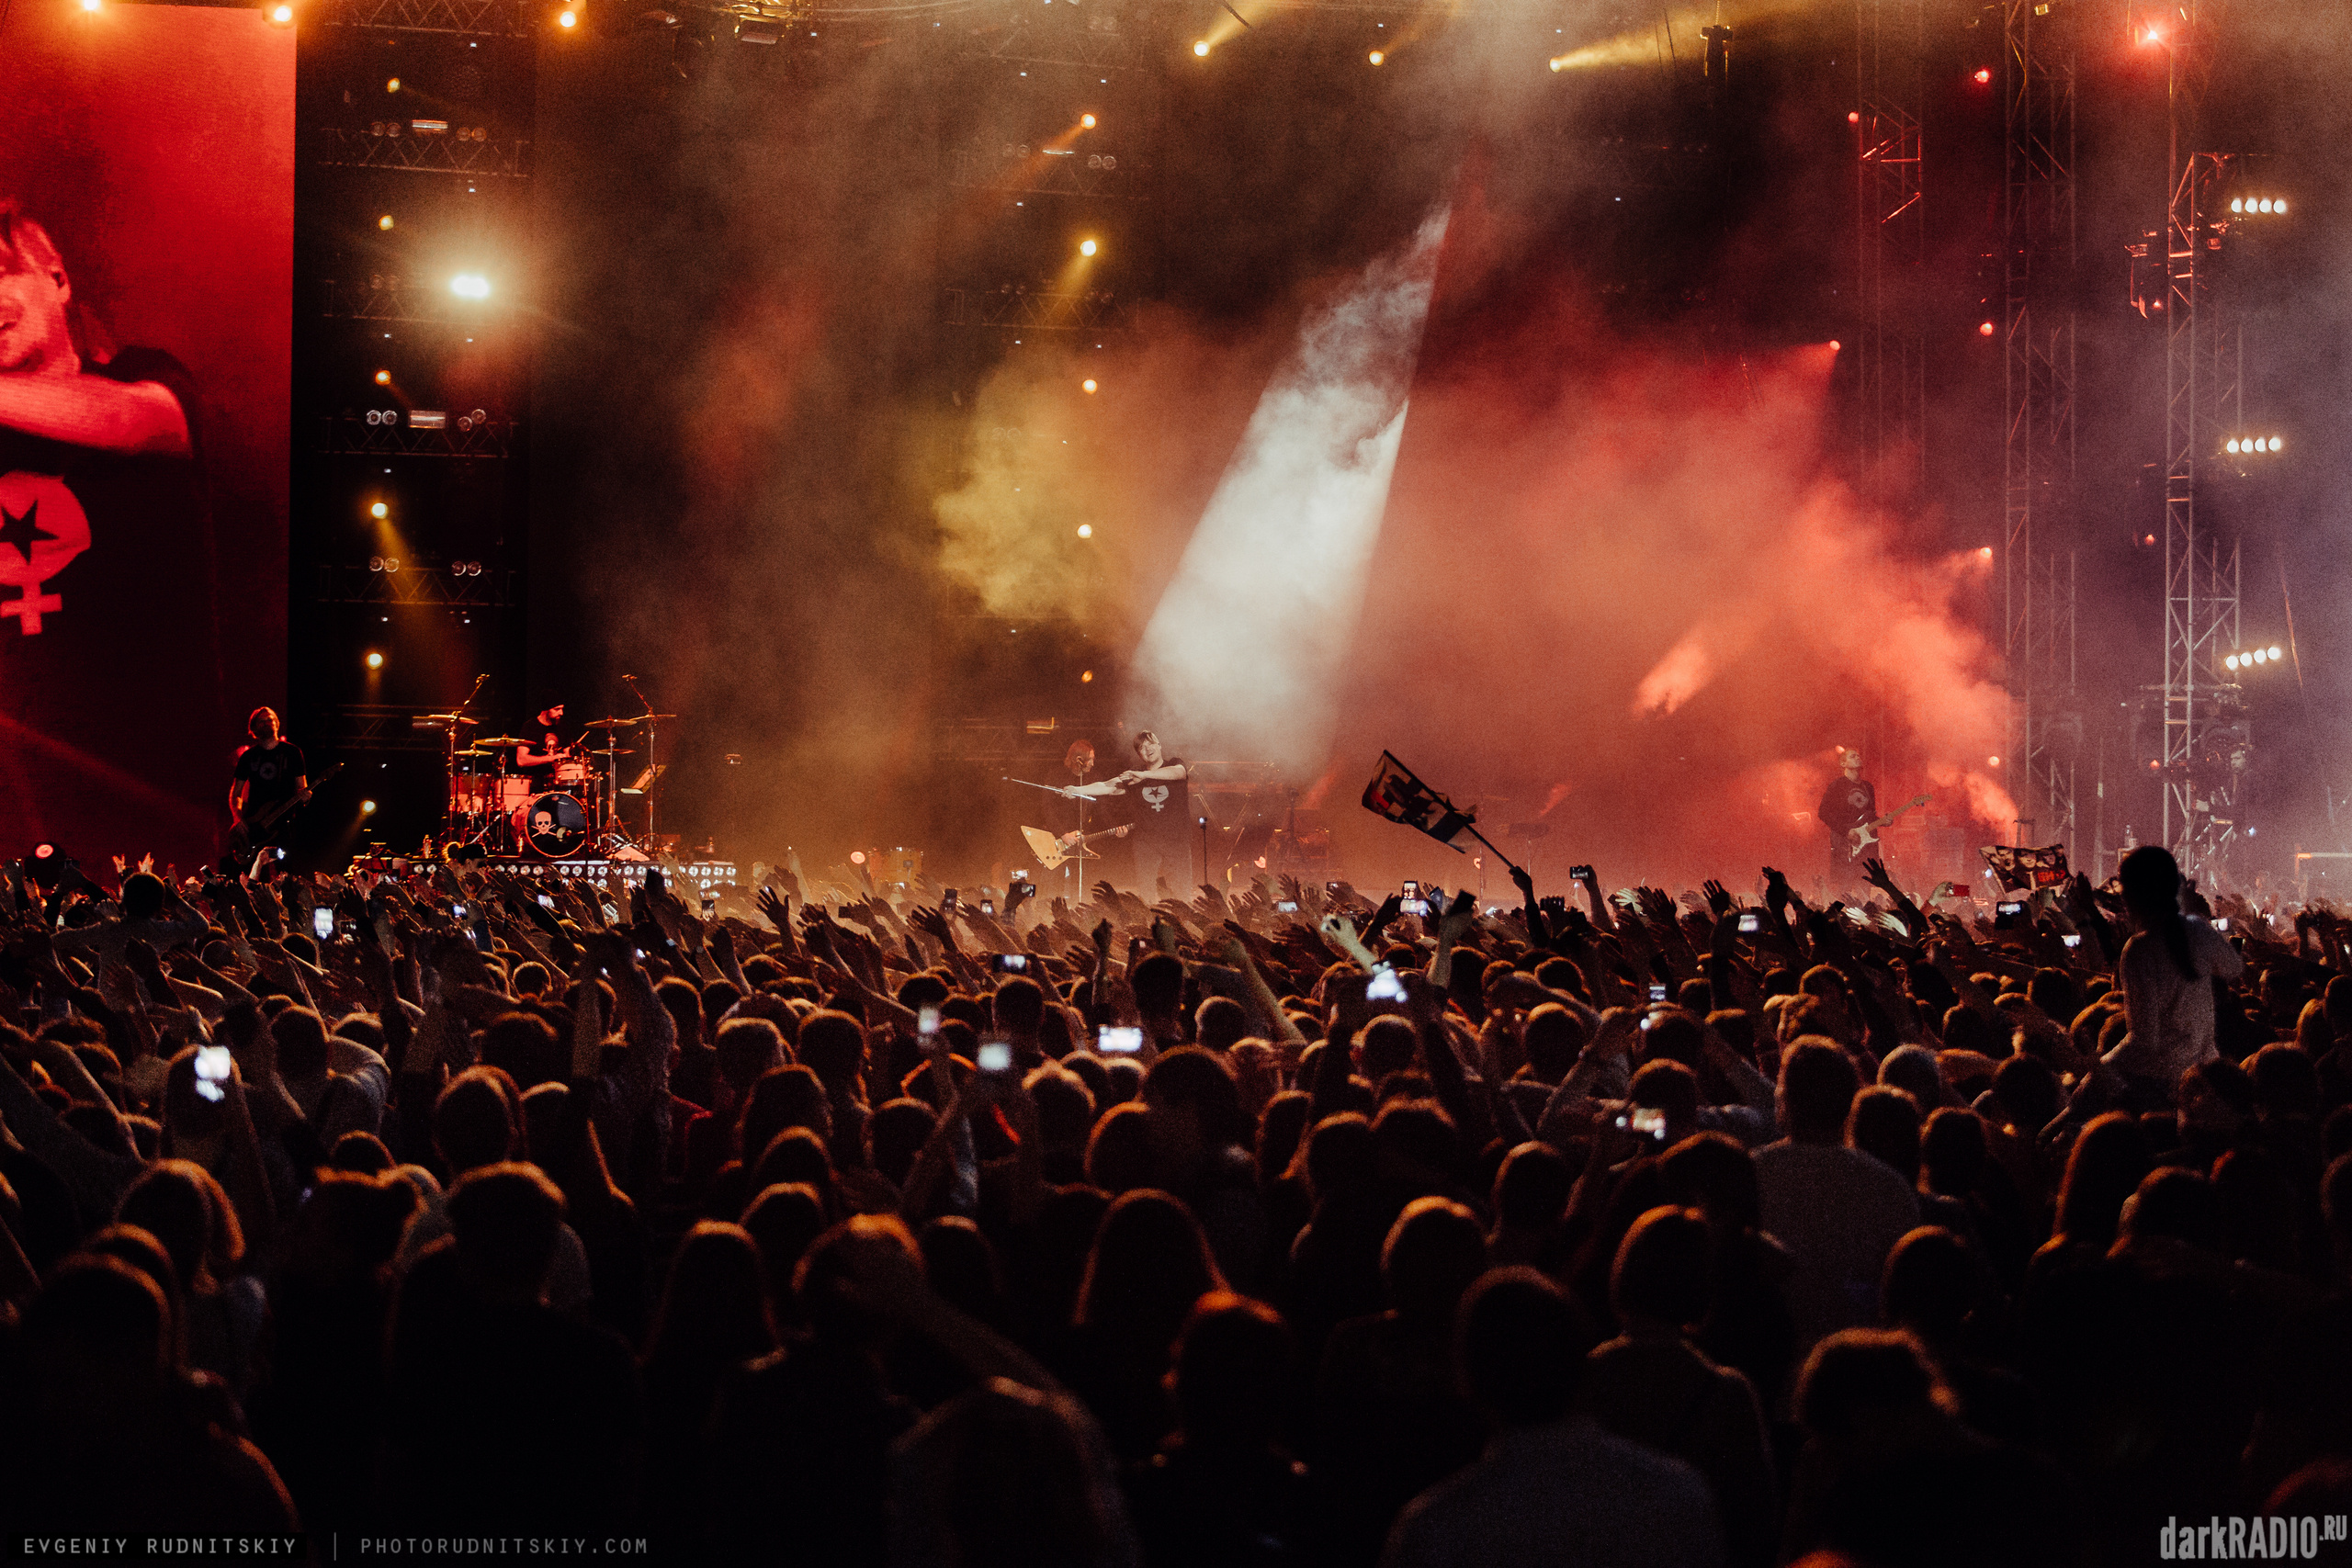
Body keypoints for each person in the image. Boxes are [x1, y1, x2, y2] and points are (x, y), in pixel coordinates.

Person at [1064, 729, 1194, 898]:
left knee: (1181, 893)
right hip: (1146, 841)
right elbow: (1107, 786)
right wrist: (1077, 790)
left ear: (1159, 745)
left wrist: (1144, 775)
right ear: (1139, 754)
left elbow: (1179, 773)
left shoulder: (1174, 764)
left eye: (1151, 744)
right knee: (1146, 893)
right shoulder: (1134, 774)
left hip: (1177, 840)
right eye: (1142, 748)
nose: (1148, 749)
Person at [226, 707, 310, 858]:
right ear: (253, 728)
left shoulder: (292, 753)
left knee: (285, 869)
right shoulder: (248, 757)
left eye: (269, 719)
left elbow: (302, 787)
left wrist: (305, 797)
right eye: (261, 721)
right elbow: (236, 792)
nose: (266, 723)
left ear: (277, 723)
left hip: (284, 824)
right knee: (255, 870)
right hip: (255, 825)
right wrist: (237, 817)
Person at [1815, 749, 1877, 893]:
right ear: (1843, 763)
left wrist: (1884, 821)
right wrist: (1846, 831)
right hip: (1844, 845)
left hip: (1865, 846)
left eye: (1858, 755)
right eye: (1853, 756)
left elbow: (1870, 816)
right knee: (1845, 889)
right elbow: (1823, 812)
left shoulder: (1868, 787)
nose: (1858, 758)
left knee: (1865, 888)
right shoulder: (1836, 786)